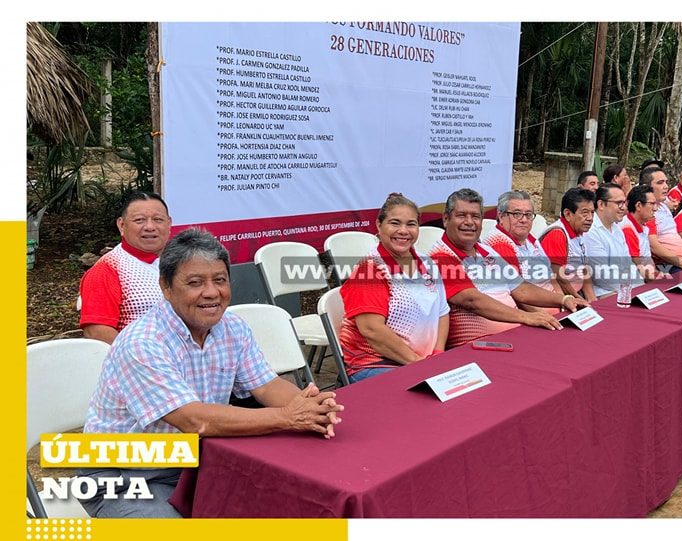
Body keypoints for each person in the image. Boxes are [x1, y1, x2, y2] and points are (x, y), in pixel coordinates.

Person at [80, 228, 344, 518]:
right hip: (126, 475)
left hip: (201, 458)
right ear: (166, 287)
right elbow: (195, 421)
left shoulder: (232, 327)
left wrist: (308, 406)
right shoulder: (142, 343)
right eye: (195, 282)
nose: (211, 292)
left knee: (287, 502)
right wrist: (290, 417)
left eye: (220, 280)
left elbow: (267, 386)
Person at [428, 189, 588, 349]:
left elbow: (521, 289)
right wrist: (527, 317)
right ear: (446, 219)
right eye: (462, 215)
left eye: (475, 217)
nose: (469, 222)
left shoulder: (487, 251)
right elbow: (472, 301)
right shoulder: (440, 256)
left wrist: (565, 299)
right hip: (476, 347)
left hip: (514, 336)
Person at [339, 193, 450, 383]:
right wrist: (420, 365)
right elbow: (372, 330)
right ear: (378, 225)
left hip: (422, 361)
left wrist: (438, 353)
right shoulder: (370, 270)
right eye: (395, 223)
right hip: (375, 364)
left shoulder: (426, 262)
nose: (403, 231)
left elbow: (442, 312)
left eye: (411, 224)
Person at [77, 191, 172, 344]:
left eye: (158, 219)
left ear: (169, 224)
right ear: (122, 225)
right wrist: (139, 359)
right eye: (139, 220)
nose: (150, 227)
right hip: (138, 362)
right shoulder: (107, 270)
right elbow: (96, 331)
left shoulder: (179, 261)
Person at [481, 190, 560, 301]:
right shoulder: (499, 244)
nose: (524, 220)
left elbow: (550, 275)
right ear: (501, 216)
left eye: (528, 215)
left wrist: (564, 300)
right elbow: (519, 295)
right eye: (517, 214)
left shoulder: (530, 238)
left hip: (553, 301)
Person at [539, 187, 599, 302]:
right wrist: (579, 300)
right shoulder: (557, 234)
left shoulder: (580, 232)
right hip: (557, 296)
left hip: (575, 293)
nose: (590, 218)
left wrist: (592, 298)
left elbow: (583, 269)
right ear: (567, 214)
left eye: (592, 212)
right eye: (585, 213)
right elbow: (559, 278)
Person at [638, 167, 682, 274]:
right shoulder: (647, 211)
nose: (666, 186)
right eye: (660, 183)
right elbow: (655, 246)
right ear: (646, 187)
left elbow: (676, 238)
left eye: (666, 182)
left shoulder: (663, 206)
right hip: (666, 265)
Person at [583, 183, 642, 296]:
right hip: (604, 293)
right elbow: (602, 276)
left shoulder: (617, 228)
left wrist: (639, 286)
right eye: (618, 203)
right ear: (601, 204)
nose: (623, 208)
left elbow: (629, 264)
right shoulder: (590, 231)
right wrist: (632, 290)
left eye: (624, 203)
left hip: (626, 289)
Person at [621, 184, 669, 281]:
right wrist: (661, 281)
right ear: (638, 206)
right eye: (652, 204)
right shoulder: (628, 229)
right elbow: (639, 269)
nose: (655, 209)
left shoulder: (643, 225)